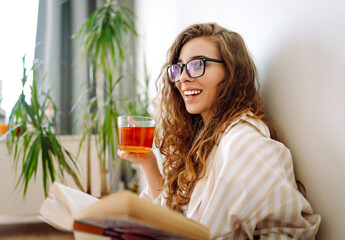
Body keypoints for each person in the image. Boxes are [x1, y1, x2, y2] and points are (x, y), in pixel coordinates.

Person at [118, 23, 320, 239]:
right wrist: (147, 163)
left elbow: (289, 233)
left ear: (230, 72)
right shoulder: (202, 141)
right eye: (179, 68)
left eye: (197, 64)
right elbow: (172, 220)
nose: (183, 78)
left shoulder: (244, 143)